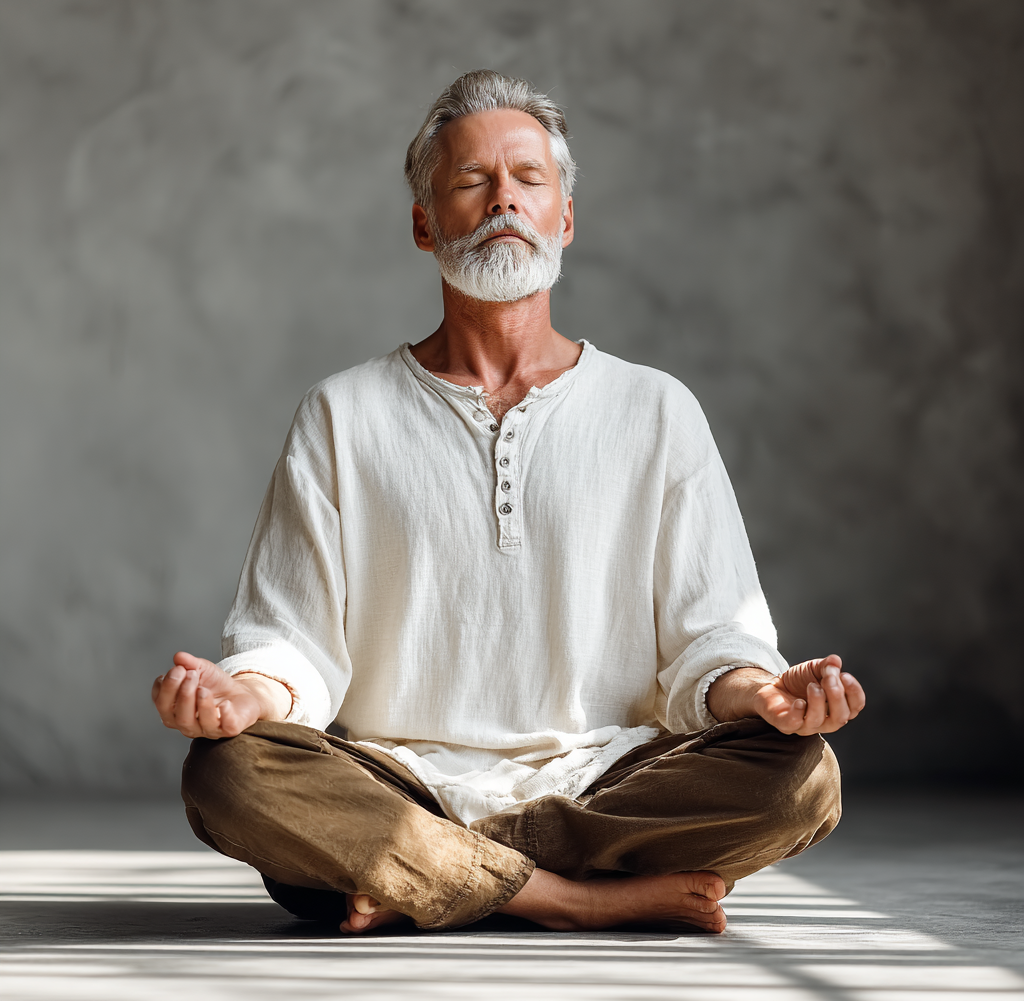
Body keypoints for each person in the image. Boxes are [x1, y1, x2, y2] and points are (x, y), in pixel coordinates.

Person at [152, 70, 865, 935]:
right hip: (394, 778)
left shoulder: (656, 409)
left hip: (609, 778)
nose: (504, 201)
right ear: (424, 223)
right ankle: (569, 899)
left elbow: (710, 642)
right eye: (470, 181)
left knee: (803, 776)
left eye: (529, 179)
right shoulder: (342, 412)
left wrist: (766, 694)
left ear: (565, 217)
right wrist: (243, 700)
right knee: (229, 774)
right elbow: (290, 644)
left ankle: (421, 874)